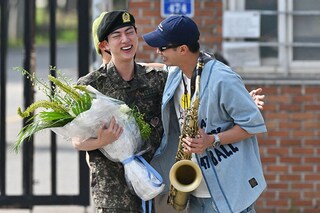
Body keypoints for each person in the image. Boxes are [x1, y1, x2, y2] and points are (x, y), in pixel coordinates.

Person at [143, 15, 267, 213]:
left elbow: (252, 126)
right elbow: (157, 67)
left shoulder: (223, 79)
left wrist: (213, 139)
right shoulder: (176, 73)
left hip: (227, 192)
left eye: (162, 47)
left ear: (182, 49)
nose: (157, 51)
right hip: (194, 193)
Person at [72, 10, 167, 212]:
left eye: (129, 32)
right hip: (113, 194)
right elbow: (77, 140)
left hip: (155, 186)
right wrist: (101, 141)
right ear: (104, 45)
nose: (126, 40)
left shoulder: (156, 79)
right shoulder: (90, 86)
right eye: (117, 35)